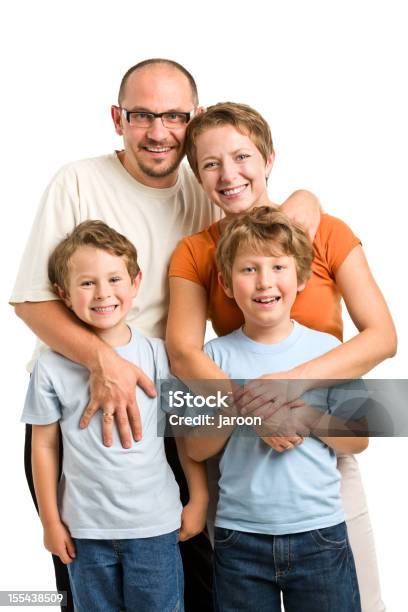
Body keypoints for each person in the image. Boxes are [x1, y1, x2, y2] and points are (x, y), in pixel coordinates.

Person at [10, 60, 319, 611]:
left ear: (192, 119)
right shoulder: (78, 180)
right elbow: (31, 300)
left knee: (195, 575)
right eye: (142, 116)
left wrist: (305, 203)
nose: (158, 132)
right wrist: (105, 363)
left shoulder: (203, 186)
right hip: (81, 415)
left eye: (174, 116)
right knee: (85, 585)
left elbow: (270, 216)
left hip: (171, 406)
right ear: (117, 119)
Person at [166, 102, 397, 611]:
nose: (229, 174)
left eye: (242, 156)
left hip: (320, 455)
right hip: (244, 463)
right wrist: (254, 407)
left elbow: (381, 338)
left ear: (268, 158)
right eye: (209, 164)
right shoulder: (197, 252)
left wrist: (289, 386)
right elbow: (182, 352)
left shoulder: (322, 229)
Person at [182, 206, 366, 611]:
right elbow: (193, 448)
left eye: (278, 267)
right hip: (240, 540)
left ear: (301, 278)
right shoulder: (214, 357)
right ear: (227, 285)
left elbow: (358, 439)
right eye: (249, 269)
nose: (265, 282)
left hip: (320, 533)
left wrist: (307, 418)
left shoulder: (327, 351)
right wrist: (241, 410)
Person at [21, 220, 210, 611]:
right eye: (87, 283)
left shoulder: (158, 354)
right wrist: (50, 522)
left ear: (136, 283)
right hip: (85, 532)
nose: (103, 293)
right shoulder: (51, 367)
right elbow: (43, 445)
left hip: (157, 527)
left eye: (114, 279)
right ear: (64, 294)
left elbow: (182, 429)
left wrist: (199, 496)